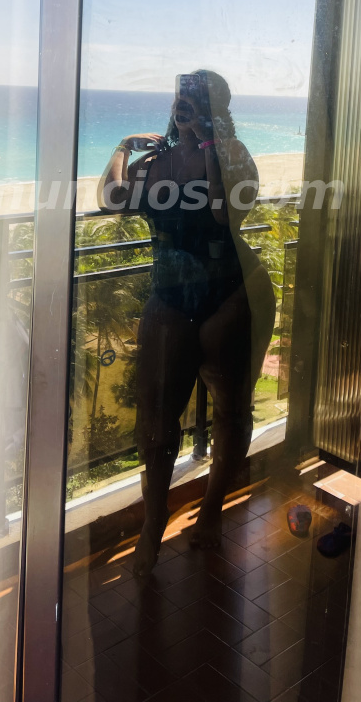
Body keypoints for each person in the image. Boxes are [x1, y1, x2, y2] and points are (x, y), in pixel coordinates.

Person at [99, 70, 276, 577]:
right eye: (180, 99)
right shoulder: (155, 161)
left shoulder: (234, 155)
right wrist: (122, 147)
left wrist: (212, 145)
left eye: (196, 100)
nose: (184, 107)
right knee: (156, 423)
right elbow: (112, 201)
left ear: (216, 108)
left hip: (235, 292)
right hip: (170, 295)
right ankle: (153, 523)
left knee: (232, 411)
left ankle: (212, 509)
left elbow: (224, 214)